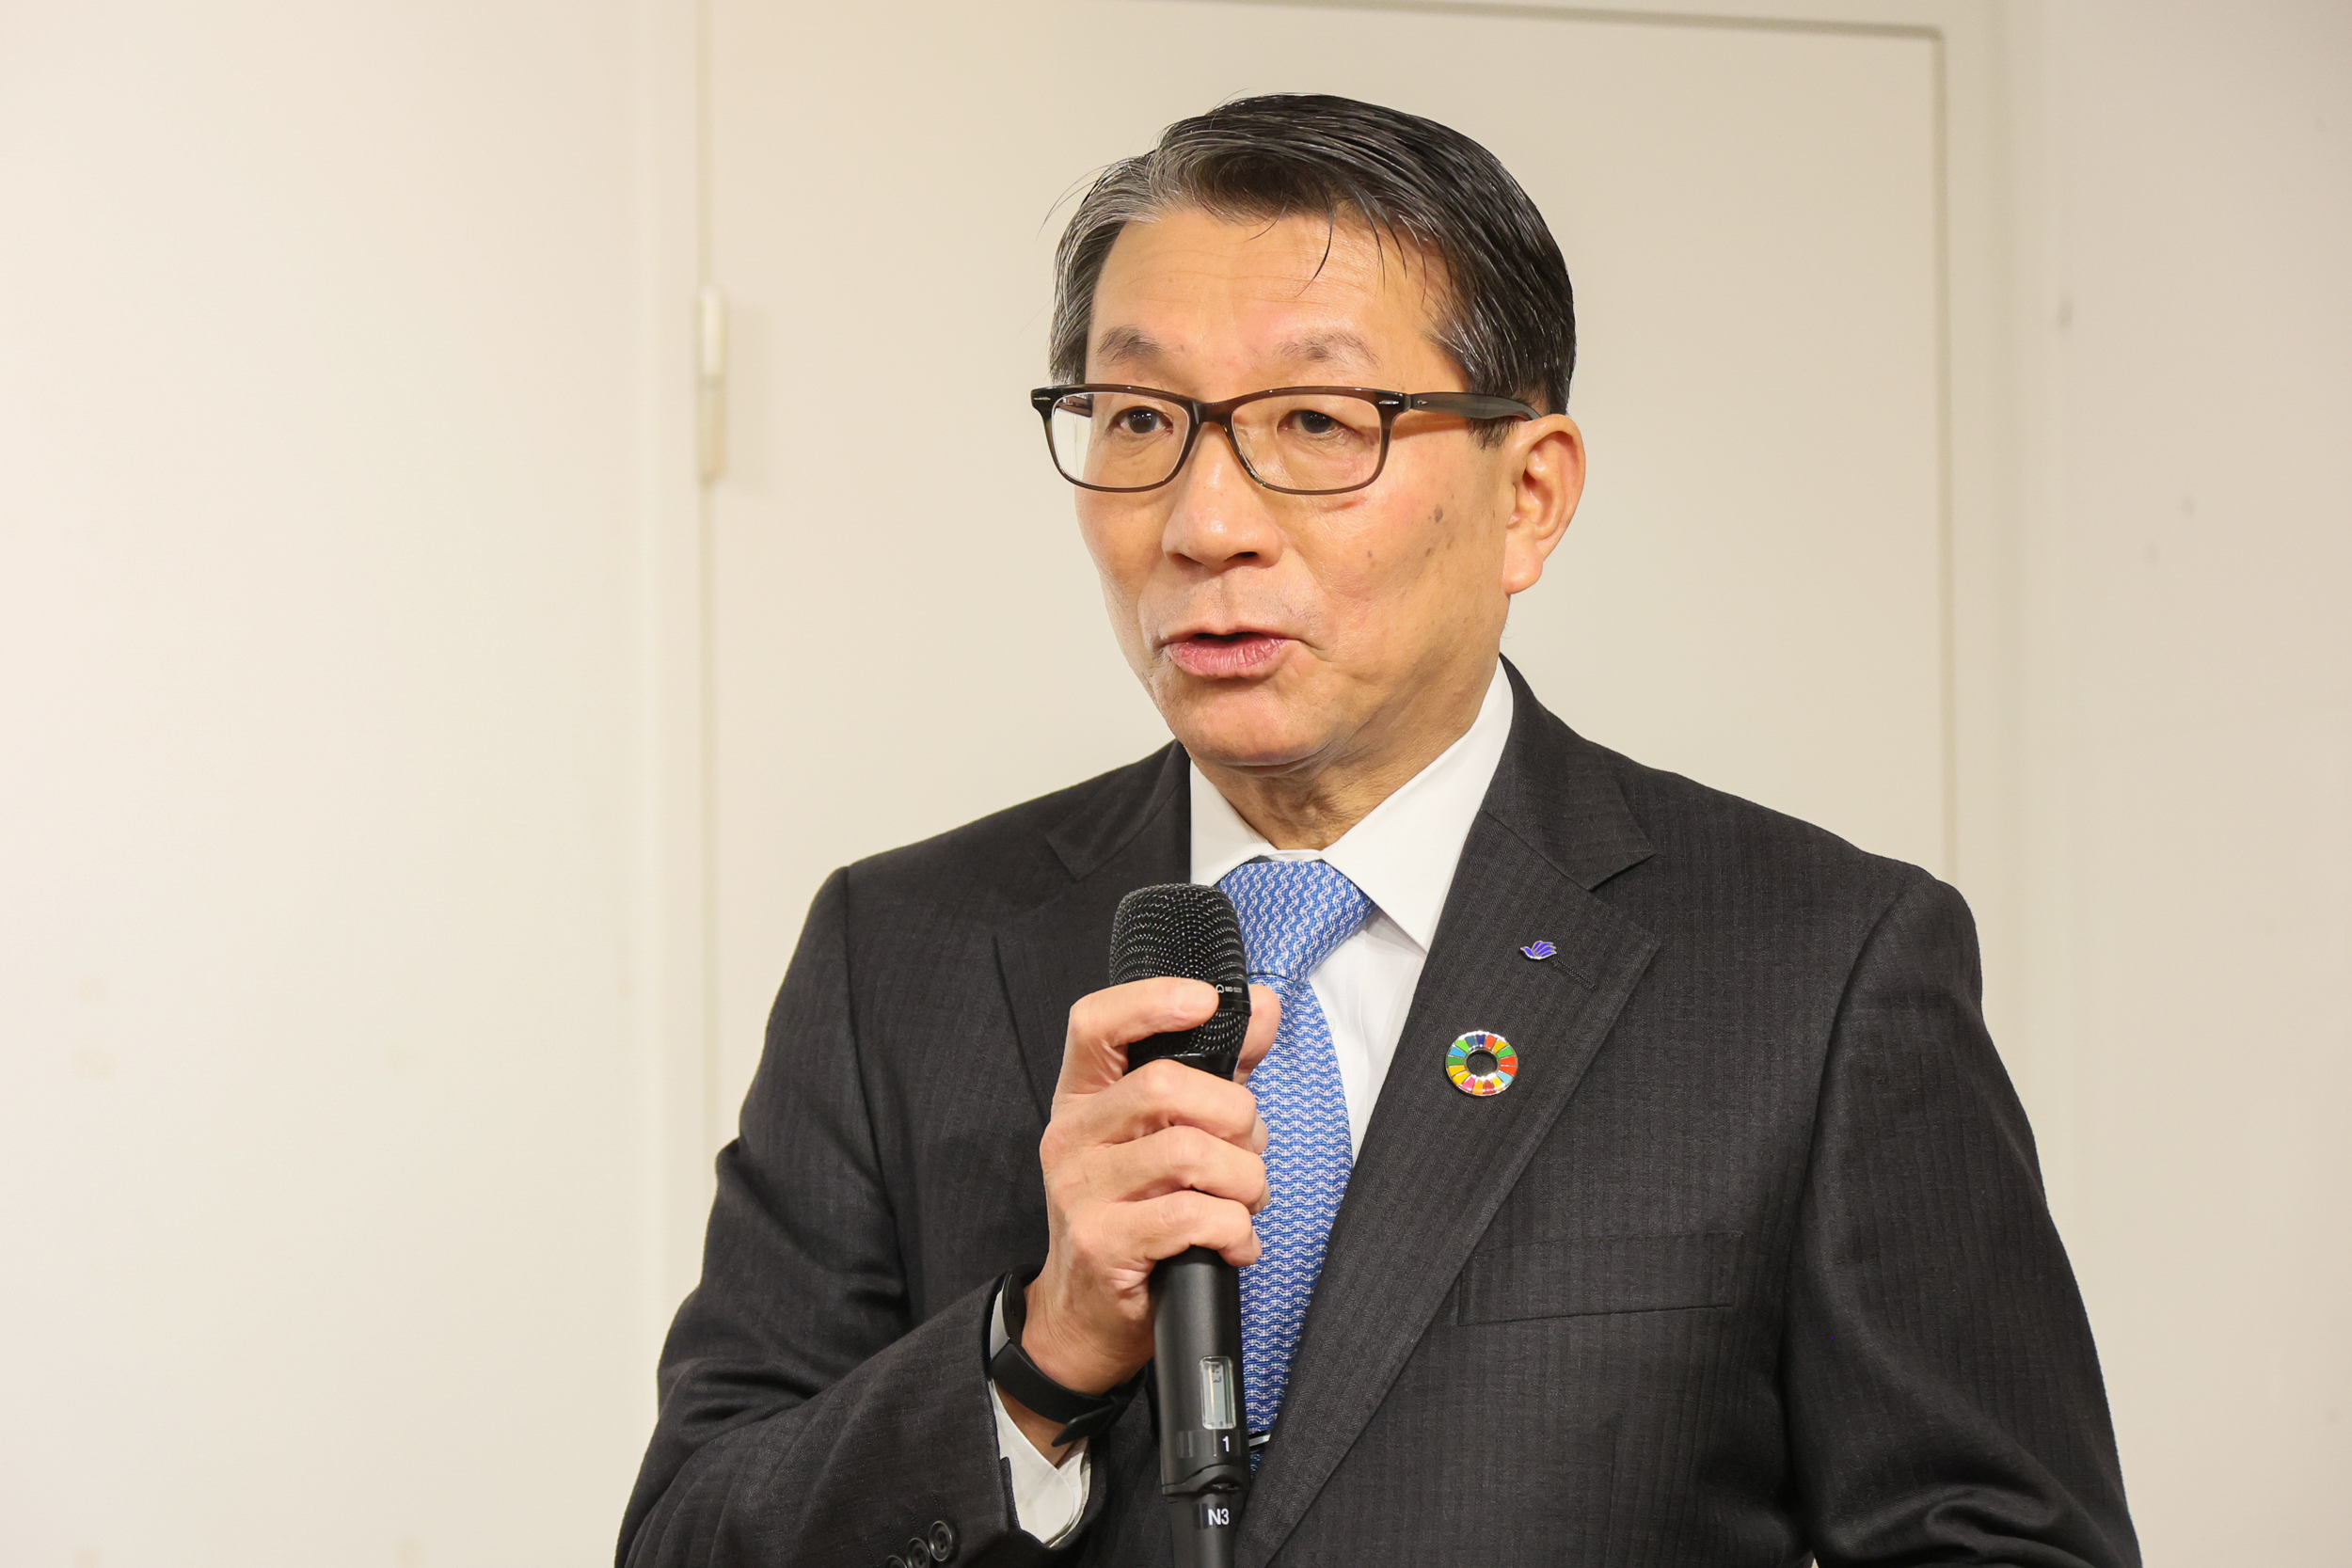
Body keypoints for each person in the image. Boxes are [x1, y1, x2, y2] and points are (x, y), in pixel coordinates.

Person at [618, 94, 2137, 1568]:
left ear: (1529, 494)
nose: (1205, 522)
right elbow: (692, 1538)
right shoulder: (902, 952)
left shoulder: (1815, 967)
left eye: (1316, 421)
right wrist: (1042, 1351)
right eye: (1139, 418)